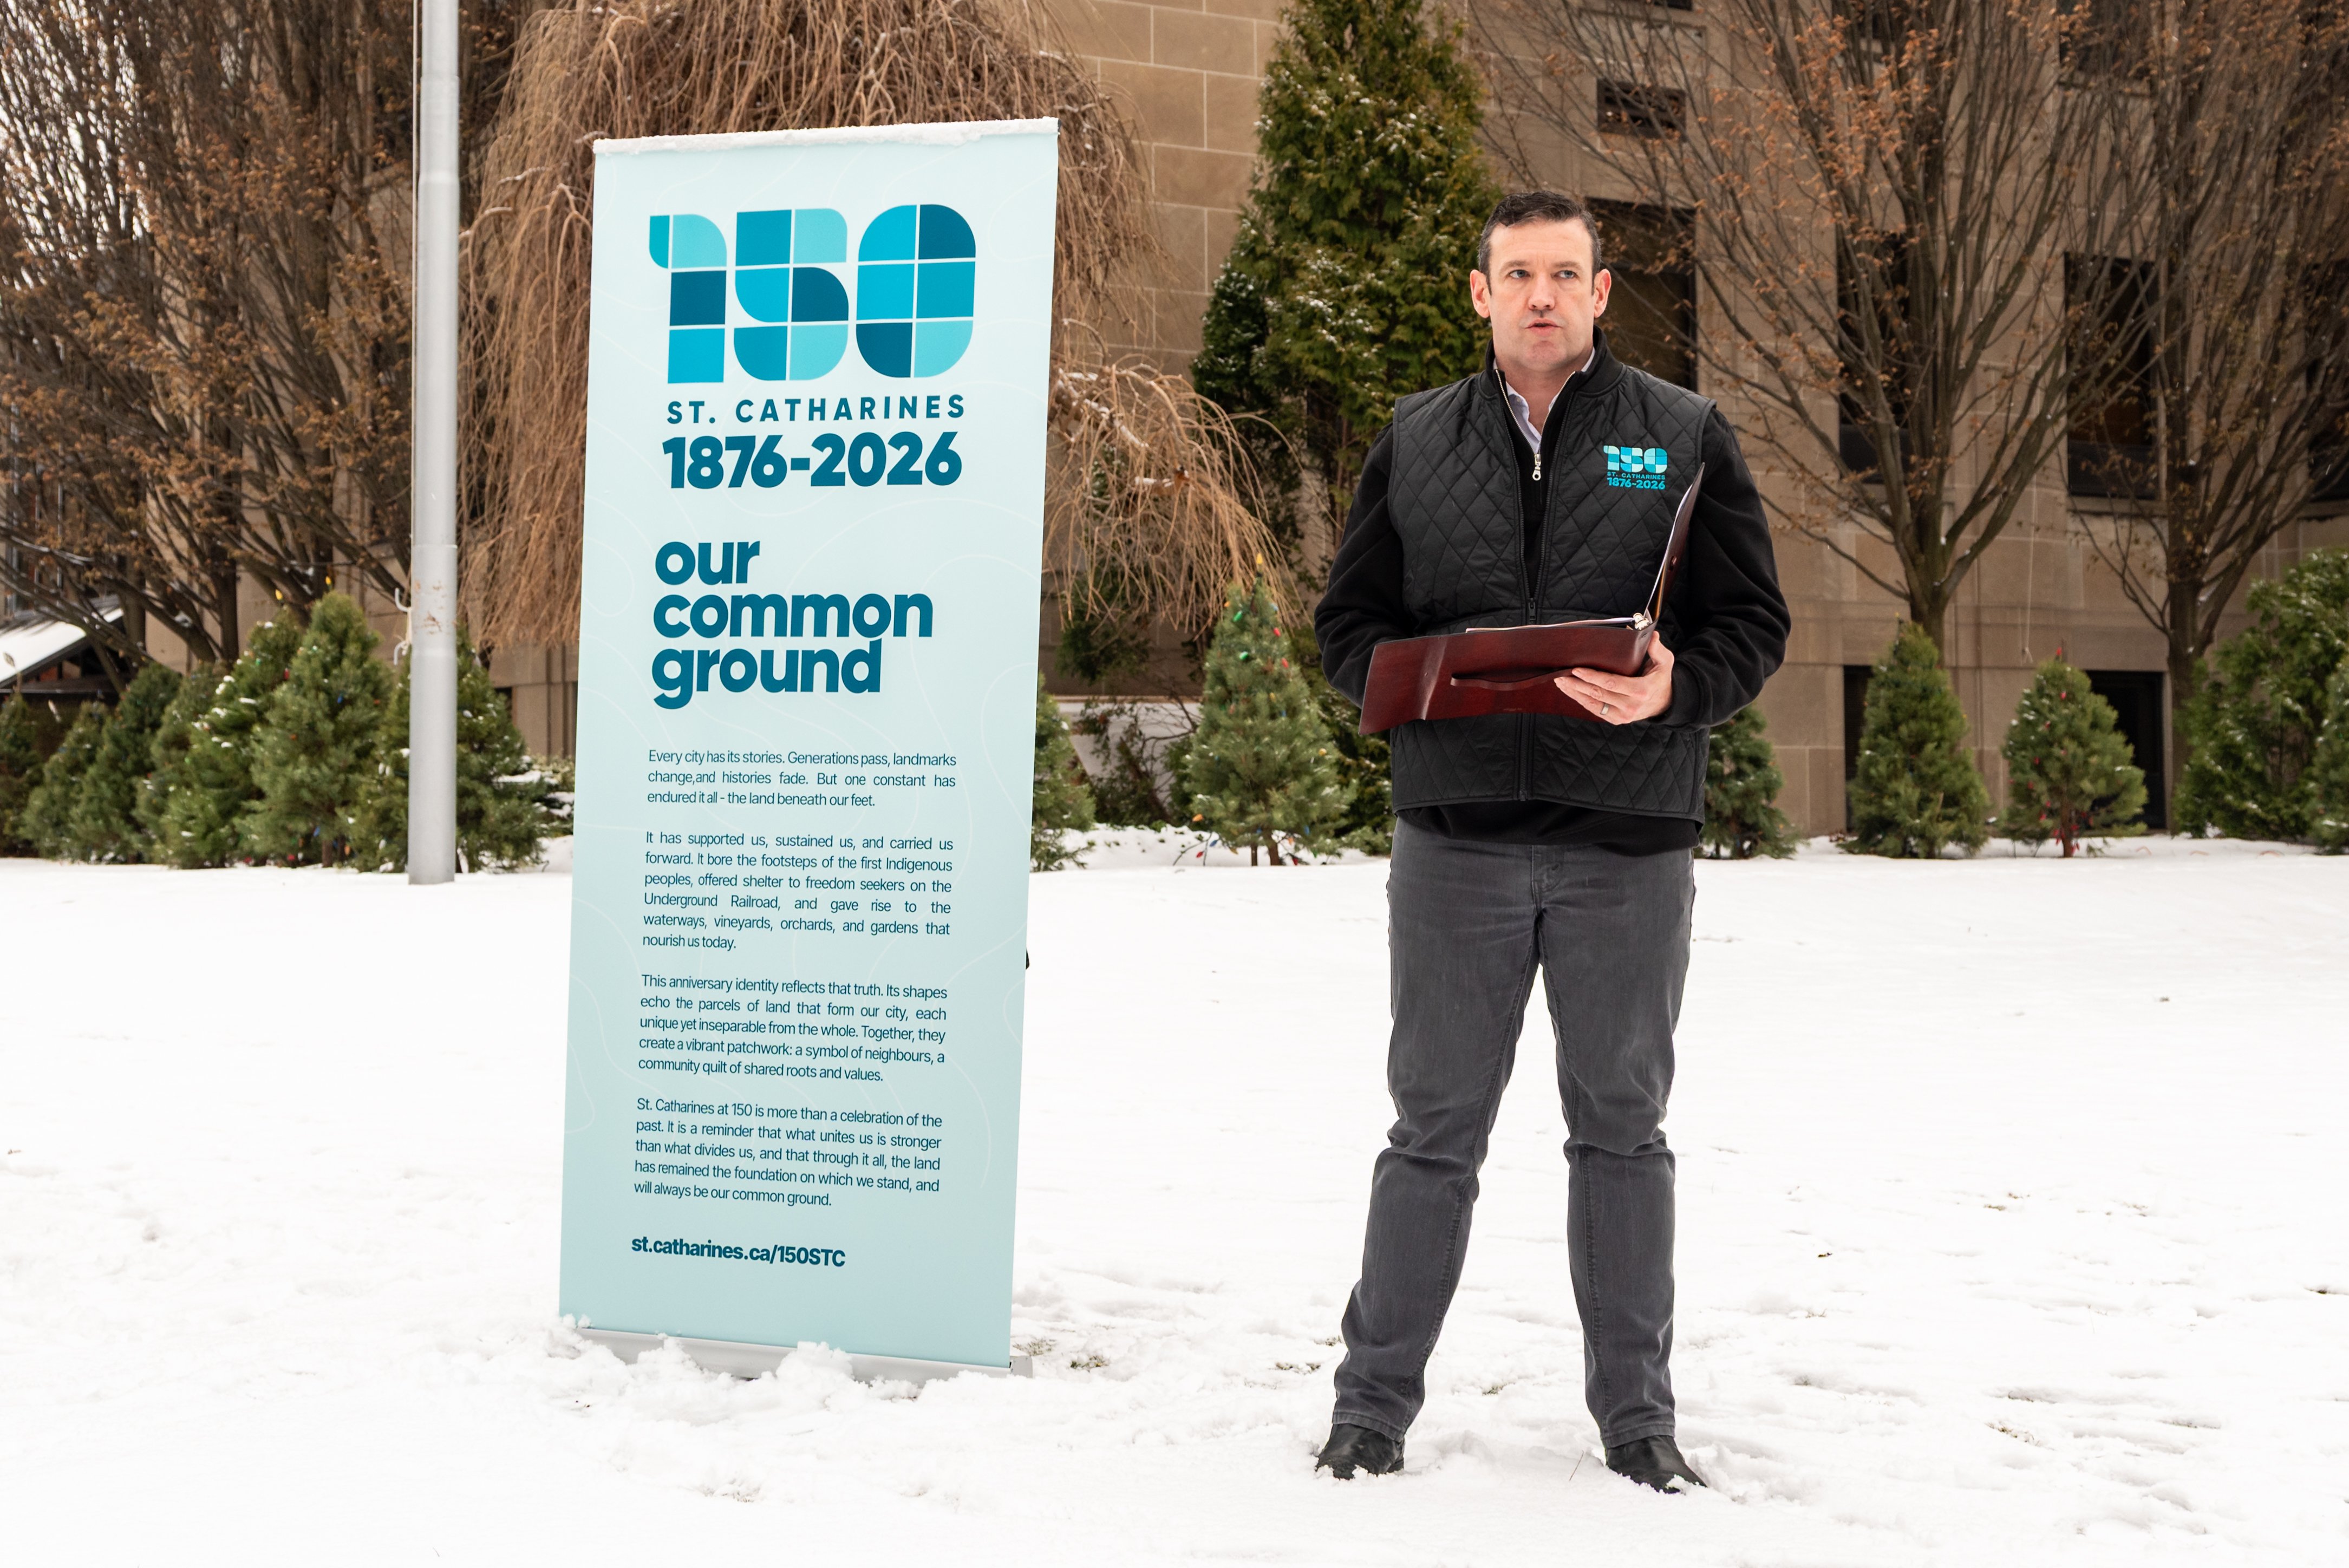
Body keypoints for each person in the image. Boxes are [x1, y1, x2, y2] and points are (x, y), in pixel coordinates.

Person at [1311, 191, 1789, 1492]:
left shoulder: (1682, 433)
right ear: (1480, 292)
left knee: (1622, 1130)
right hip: (1454, 841)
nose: (1539, 294)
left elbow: (1752, 622)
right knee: (1432, 1131)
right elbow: (1348, 623)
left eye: (1563, 273)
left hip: (1625, 842)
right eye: (1515, 272)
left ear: (1601, 289)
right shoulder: (1416, 439)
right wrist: (1403, 690)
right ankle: (1370, 1410)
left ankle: (1639, 1419)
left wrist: (1676, 688)